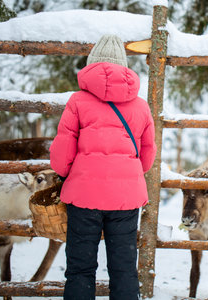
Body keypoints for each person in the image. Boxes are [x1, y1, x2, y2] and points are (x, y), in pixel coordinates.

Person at [49, 34, 157, 300]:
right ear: (124, 66)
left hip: (84, 199)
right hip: (126, 199)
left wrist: (69, 174)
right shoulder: (141, 107)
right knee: (123, 270)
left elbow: (62, 156)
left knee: (80, 269)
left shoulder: (77, 101)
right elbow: (147, 157)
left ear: (92, 64)